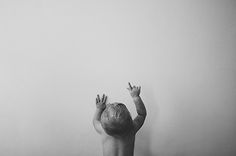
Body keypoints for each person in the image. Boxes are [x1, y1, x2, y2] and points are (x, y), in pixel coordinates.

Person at [93, 82, 147, 156]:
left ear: (103, 124)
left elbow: (95, 121)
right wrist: (136, 97)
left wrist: (99, 109)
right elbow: (142, 114)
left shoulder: (103, 131)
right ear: (130, 122)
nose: (114, 103)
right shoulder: (131, 130)